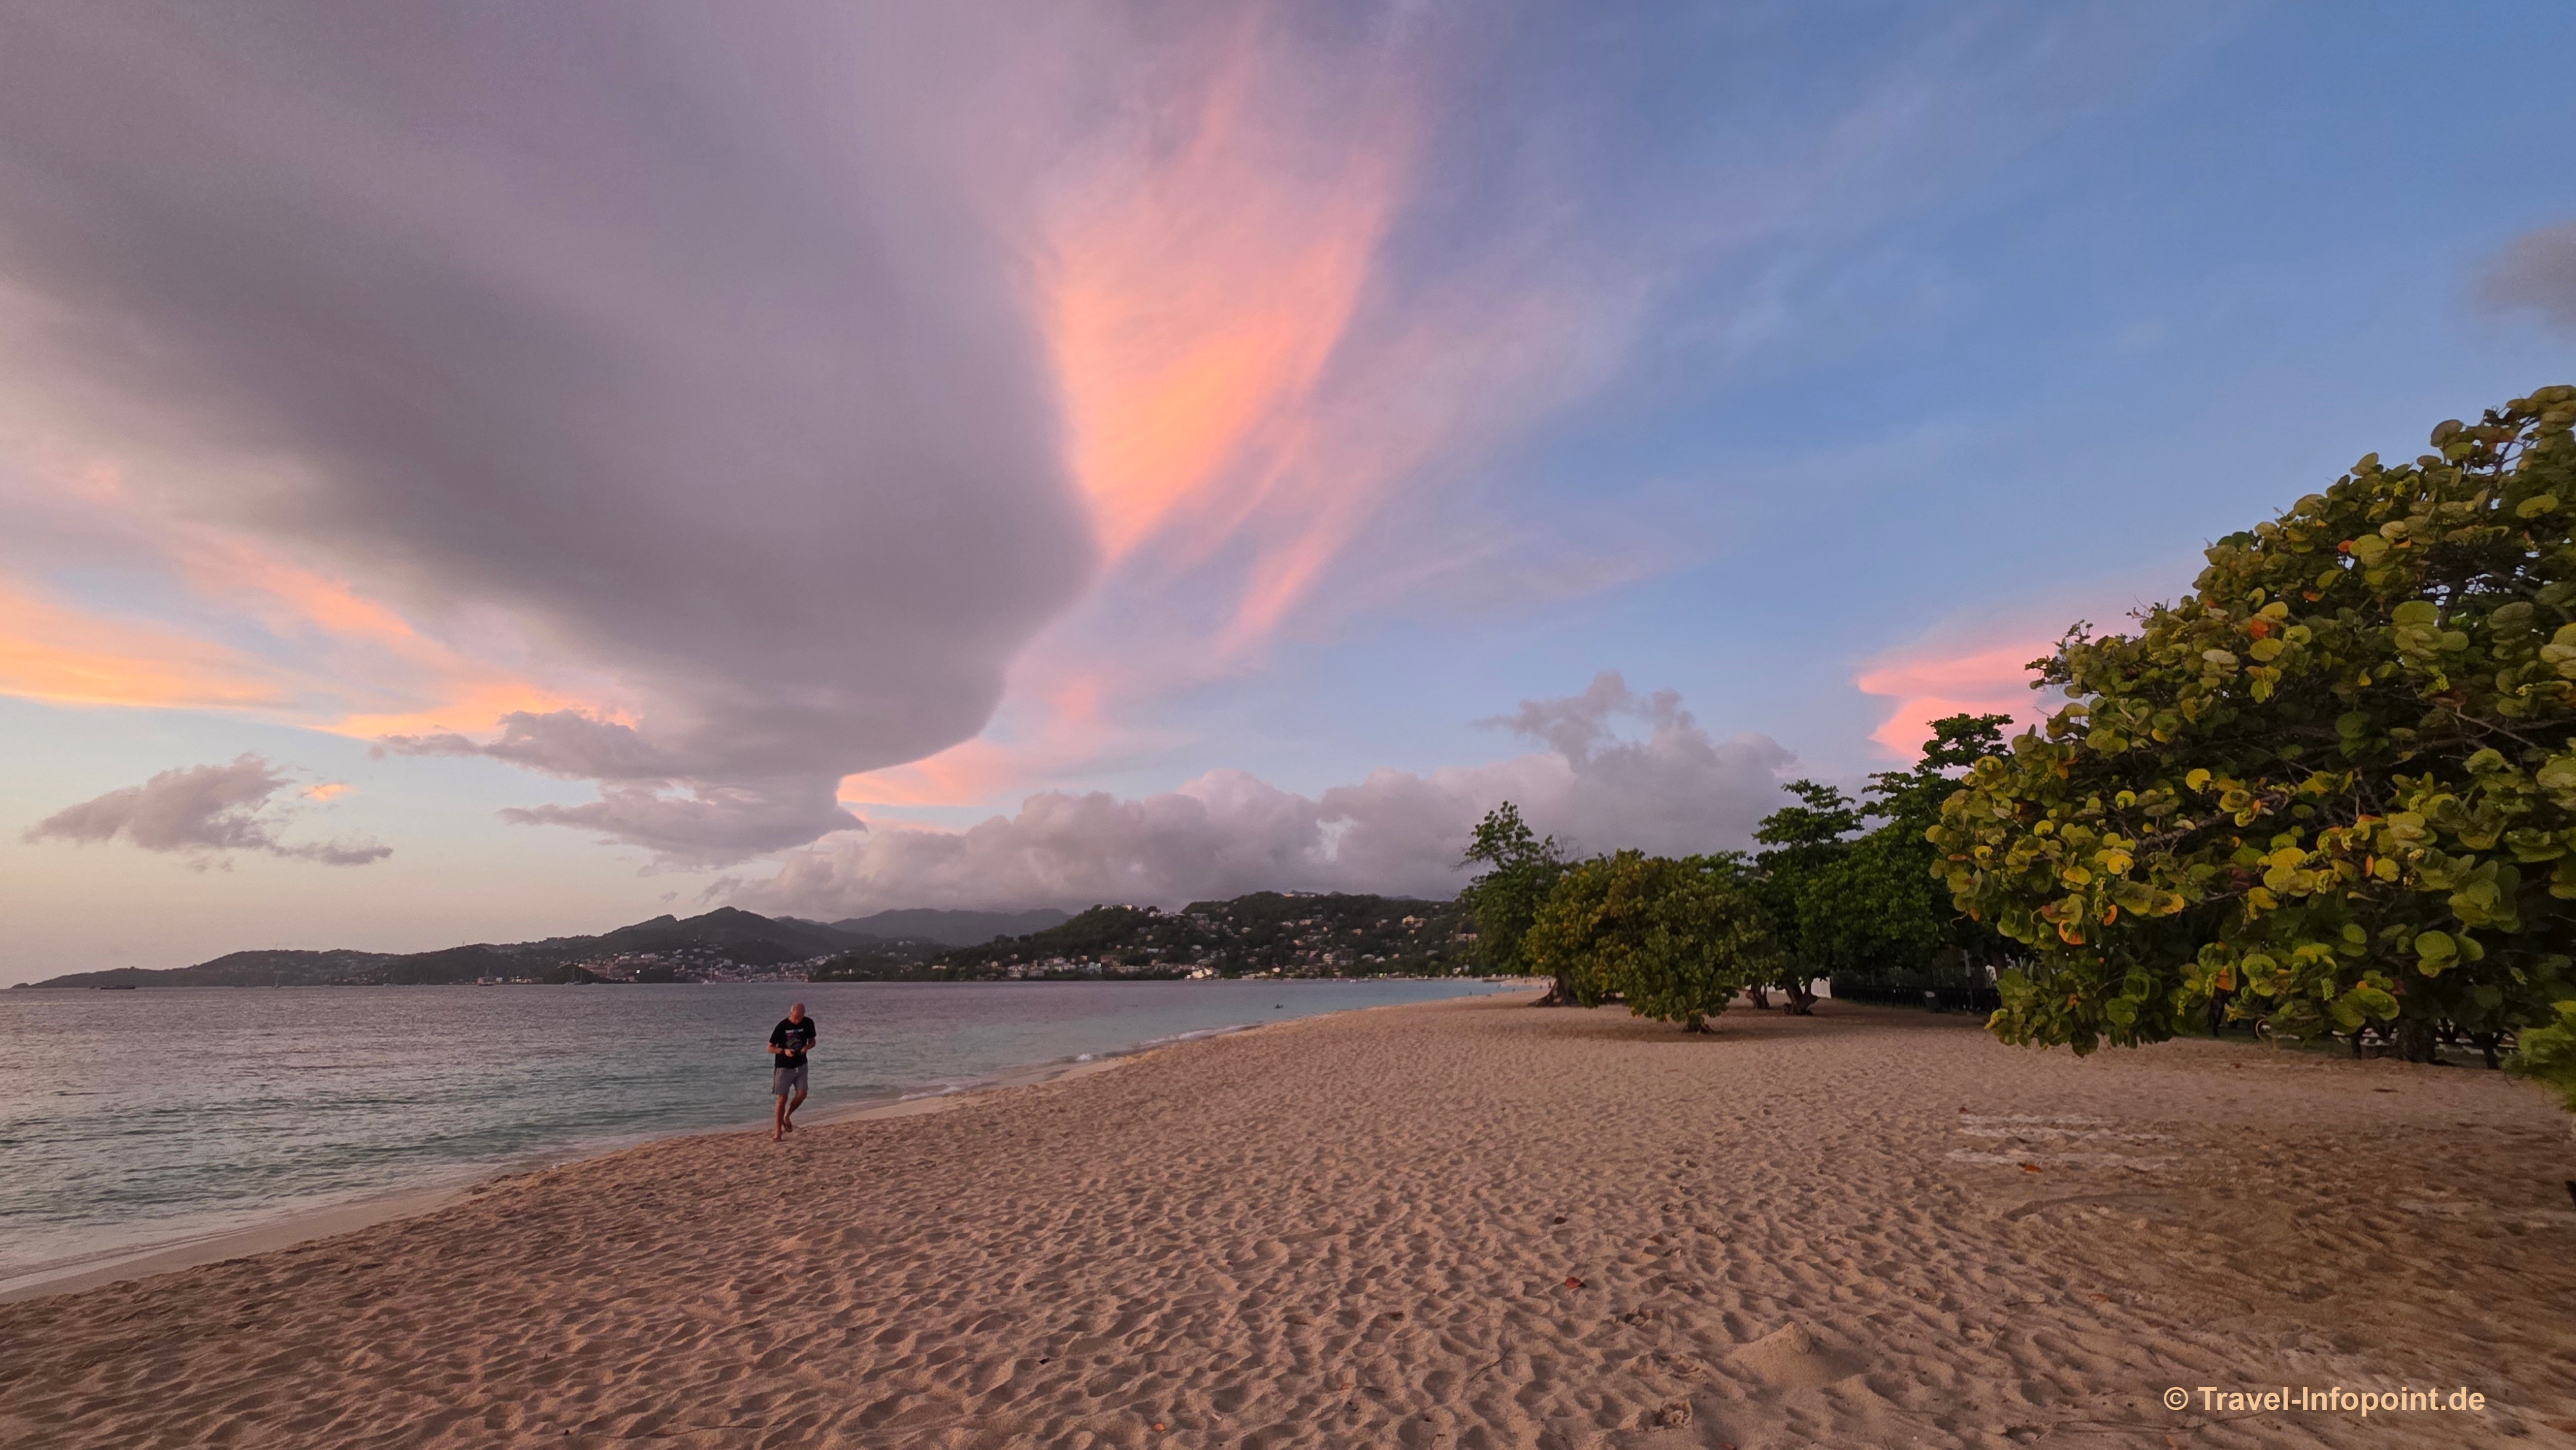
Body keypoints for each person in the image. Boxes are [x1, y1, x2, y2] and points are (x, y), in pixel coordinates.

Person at [768, 1003, 815, 1140]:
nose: (797, 1021)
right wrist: (784, 1051)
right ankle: (778, 1132)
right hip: (783, 1066)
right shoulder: (782, 1026)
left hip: (801, 1065)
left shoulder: (808, 1023)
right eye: (795, 1018)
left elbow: (813, 1041)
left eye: (799, 1018)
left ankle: (787, 1116)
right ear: (791, 1013)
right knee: (782, 1099)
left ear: (804, 1014)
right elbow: (770, 1048)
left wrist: (807, 1047)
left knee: (802, 1094)